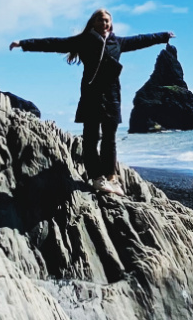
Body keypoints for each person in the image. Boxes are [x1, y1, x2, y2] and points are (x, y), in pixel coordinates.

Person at [11, 10, 172, 190]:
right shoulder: (84, 41)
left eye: (108, 21)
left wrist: (163, 36)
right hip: (91, 96)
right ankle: (96, 177)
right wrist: (23, 44)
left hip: (112, 97)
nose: (105, 24)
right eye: (101, 20)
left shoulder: (117, 42)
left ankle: (111, 177)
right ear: (93, 22)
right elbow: (53, 43)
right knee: (91, 139)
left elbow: (141, 39)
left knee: (109, 140)